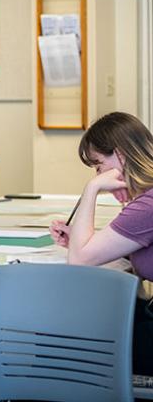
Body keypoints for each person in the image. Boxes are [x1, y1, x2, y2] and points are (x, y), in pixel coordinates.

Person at [49, 111, 153, 376]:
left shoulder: (147, 205)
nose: (98, 173)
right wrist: (81, 241)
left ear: (121, 155)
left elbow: (79, 261)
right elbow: (128, 250)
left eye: (97, 165)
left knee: (65, 344)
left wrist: (92, 188)